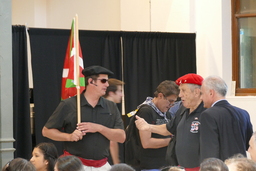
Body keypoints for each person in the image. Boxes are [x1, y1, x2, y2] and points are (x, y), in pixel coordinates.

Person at [42, 65, 126, 171]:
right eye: (103, 81)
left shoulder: (111, 106)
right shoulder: (69, 105)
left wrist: (99, 128)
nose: (107, 85)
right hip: (73, 166)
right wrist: (69, 136)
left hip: (102, 166)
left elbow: (121, 137)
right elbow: (46, 131)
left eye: (107, 81)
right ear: (91, 81)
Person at [135, 73, 205, 171]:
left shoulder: (207, 112)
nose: (180, 95)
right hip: (180, 166)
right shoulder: (183, 109)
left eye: (183, 90)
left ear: (197, 92)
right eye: (180, 91)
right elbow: (168, 129)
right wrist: (148, 127)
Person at [200, 75, 253, 162]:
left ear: (211, 93)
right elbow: (249, 145)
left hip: (222, 167)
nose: (201, 98)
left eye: (202, 93)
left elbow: (209, 151)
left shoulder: (208, 115)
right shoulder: (243, 113)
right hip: (241, 166)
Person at [134, 80, 179, 170]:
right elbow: (146, 143)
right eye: (170, 101)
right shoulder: (146, 111)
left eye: (174, 102)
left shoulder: (167, 113)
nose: (171, 105)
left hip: (165, 163)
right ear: (160, 96)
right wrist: (173, 141)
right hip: (150, 165)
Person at [103, 78, 125, 165]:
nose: (122, 95)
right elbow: (112, 140)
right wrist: (116, 162)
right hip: (105, 159)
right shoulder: (108, 111)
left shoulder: (110, 108)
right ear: (111, 93)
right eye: (120, 91)